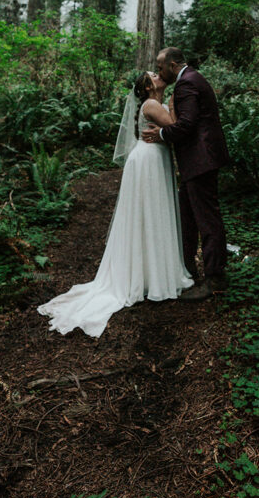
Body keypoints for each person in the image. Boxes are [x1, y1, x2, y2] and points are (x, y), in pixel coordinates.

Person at [37, 71, 193, 337]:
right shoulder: (152, 105)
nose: (158, 74)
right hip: (148, 162)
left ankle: (151, 272)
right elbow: (176, 127)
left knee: (150, 216)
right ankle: (150, 275)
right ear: (147, 86)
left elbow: (168, 129)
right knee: (150, 215)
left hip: (152, 159)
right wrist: (177, 104)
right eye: (154, 75)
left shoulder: (155, 103)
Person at [142, 47, 230, 300]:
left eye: (160, 68)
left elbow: (188, 125)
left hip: (201, 161)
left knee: (207, 220)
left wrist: (159, 134)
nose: (159, 72)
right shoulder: (192, 79)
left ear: (171, 65)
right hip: (198, 161)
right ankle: (187, 268)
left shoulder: (186, 84)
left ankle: (215, 279)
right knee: (187, 216)